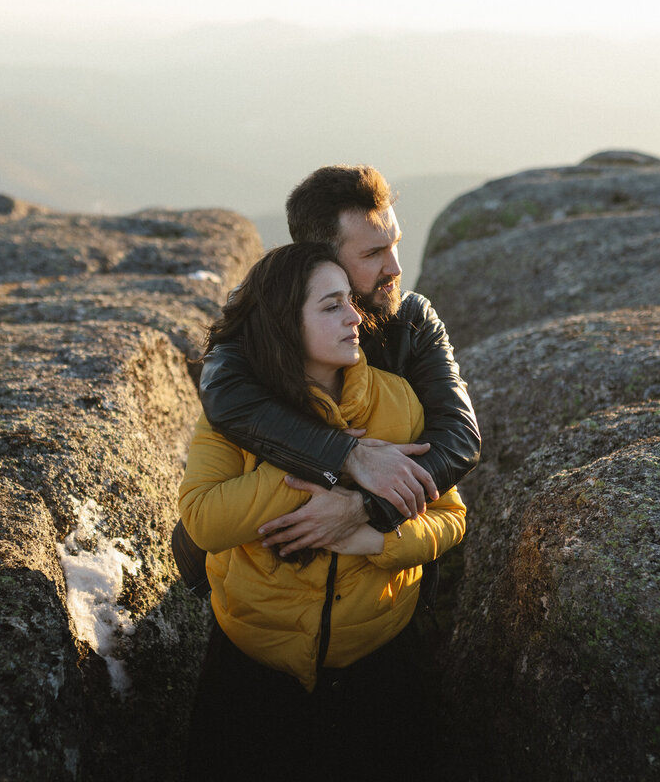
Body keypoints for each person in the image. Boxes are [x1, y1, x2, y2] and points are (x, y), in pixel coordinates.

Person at [178, 242, 466, 778]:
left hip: (378, 662)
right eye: (331, 306)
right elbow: (201, 519)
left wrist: (378, 537)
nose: (355, 316)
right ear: (286, 323)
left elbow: (451, 516)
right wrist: (326, 463)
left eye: (350, 301)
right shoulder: (240, 411)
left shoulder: (398, 401)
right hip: (253, 661)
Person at [175, 164, 480, 603]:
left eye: (395, 244)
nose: (395, 266)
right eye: (373, 253)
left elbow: (459, 437)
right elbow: (225, 396)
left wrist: (364, 508)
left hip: (378, 597)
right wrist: (349, 457)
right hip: (252, 598)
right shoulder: (268, 321)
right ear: (322, 257)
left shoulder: (412, 320)